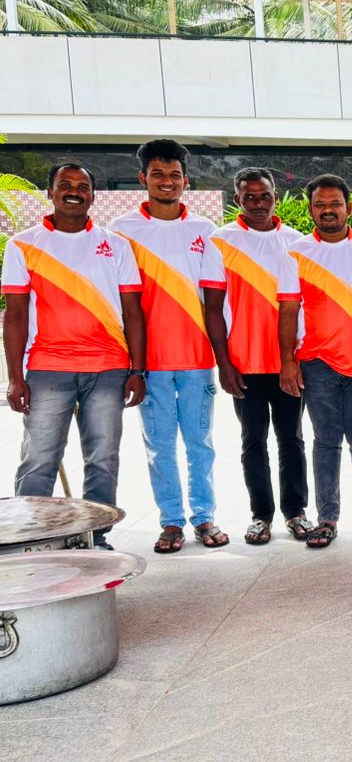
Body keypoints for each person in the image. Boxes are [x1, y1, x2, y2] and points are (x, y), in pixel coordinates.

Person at [4, 163, 145, 548]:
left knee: (103, 460)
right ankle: (32, 539)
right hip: (48, 369)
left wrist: (138, 369)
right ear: (49, 193)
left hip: (108, 369)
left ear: (92, 196)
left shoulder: (115, 245)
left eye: (82, 186)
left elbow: (133, 311)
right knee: (39, 460)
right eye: (65, 185)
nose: (74, 191)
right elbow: (14, 316)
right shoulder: (24, 245)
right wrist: (15, 378)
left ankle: (94, 537)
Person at [110, 139, 236, 554]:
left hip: (197, 359)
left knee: (200, 443)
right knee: (159, 445)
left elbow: (217, 303)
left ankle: (204, 516)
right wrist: (131, 363)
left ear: (186, 180)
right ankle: (170, 522)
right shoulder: (123, 232)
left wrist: (224, 358)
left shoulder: (204, 232)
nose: (167, 182)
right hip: (150, 363)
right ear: (143, 178)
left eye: (175, 175)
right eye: (158, 174)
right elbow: (118, 302)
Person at [281, 174, 352, 549]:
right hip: (316, 362)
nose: (328, 210)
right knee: (326, 441)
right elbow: (288, 309)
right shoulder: (296, 251)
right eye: (320, 204)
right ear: (310, 208)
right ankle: (327, 518)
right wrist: (288, 362)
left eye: (335, 203)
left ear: (349, 207)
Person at [210, 168, 309, 545]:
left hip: (288, 363)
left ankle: (296, 512)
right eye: (249, 197)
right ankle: (260, 516)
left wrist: (297, 357)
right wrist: (224, 363)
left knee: (292, 440)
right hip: (244, 363)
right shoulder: (221, 241)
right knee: (253, 442)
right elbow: (214, 309)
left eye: (264, 195)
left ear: (275, 195)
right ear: (237, 199)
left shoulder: (295, 241)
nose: (258, 203)